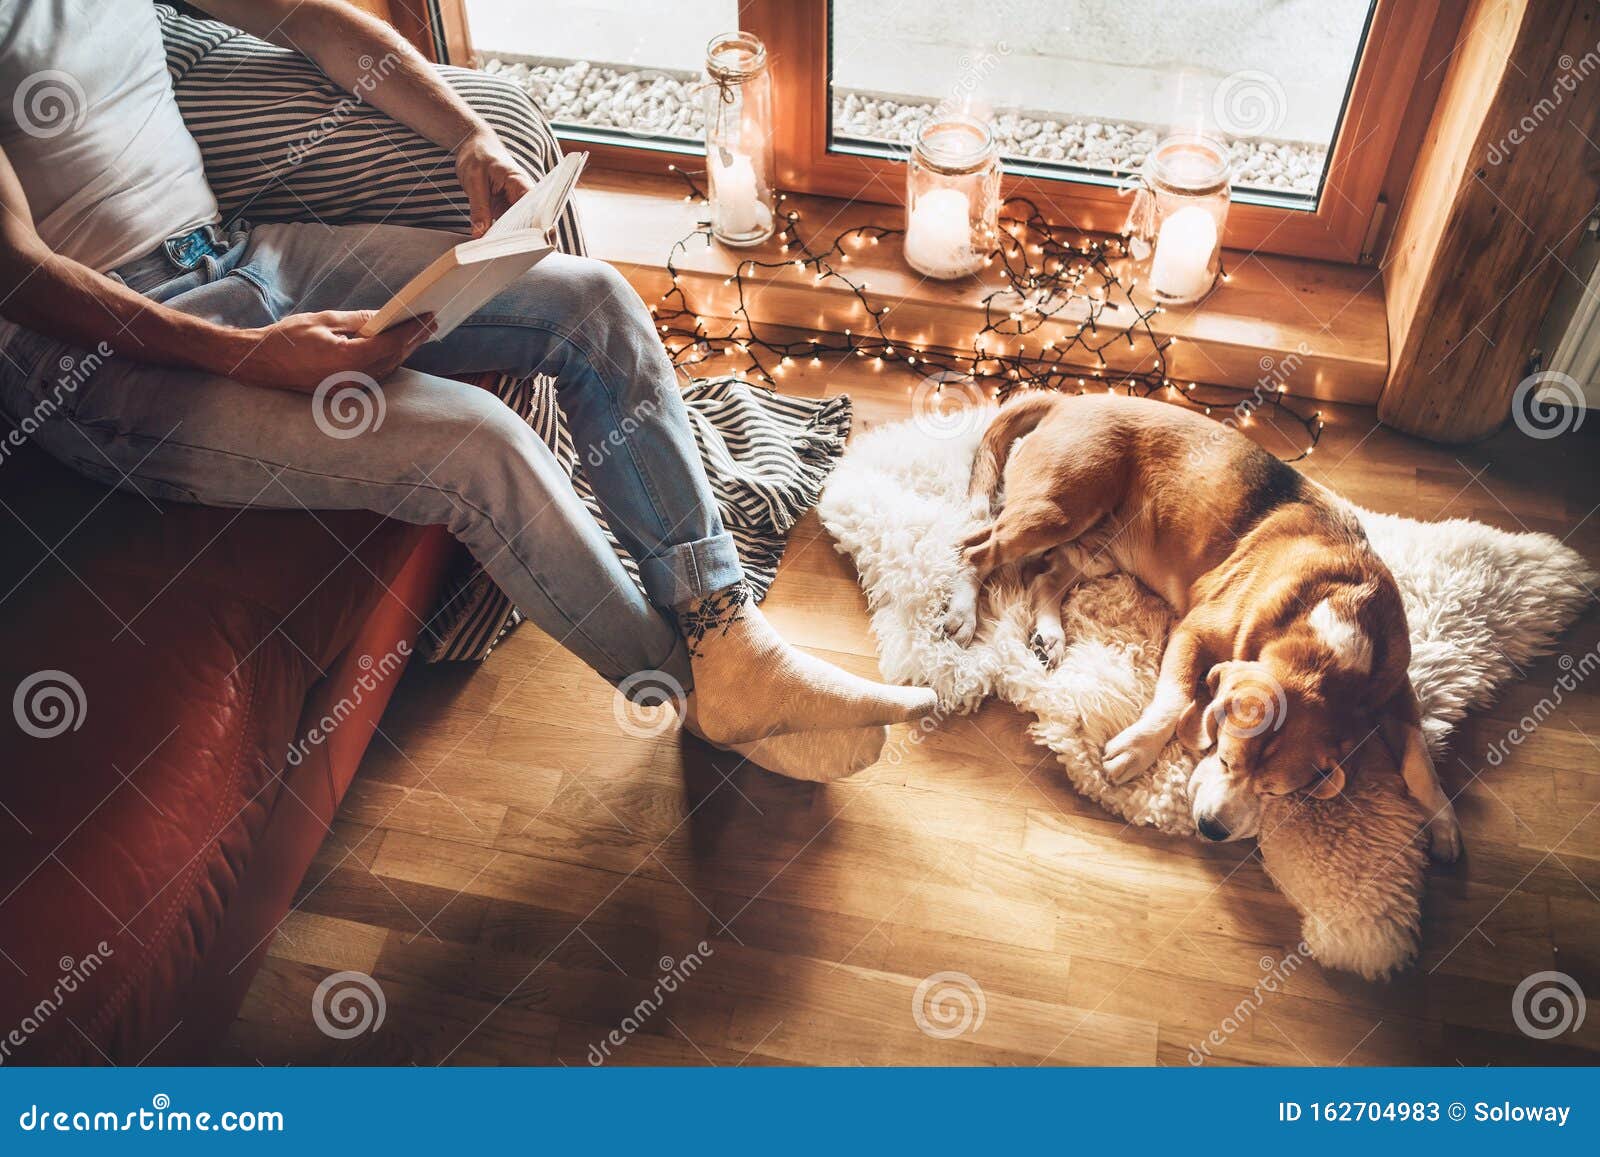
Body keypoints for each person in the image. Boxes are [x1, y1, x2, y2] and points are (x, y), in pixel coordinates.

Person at [0, 0, 936, 778]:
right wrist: (251, 357)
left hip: (238, 253)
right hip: (111, 372)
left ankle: (725, 629)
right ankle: (694, 691)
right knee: (476, 446)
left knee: (593, 302)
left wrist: (470, 137)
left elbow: (304, 17)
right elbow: (16, 273)